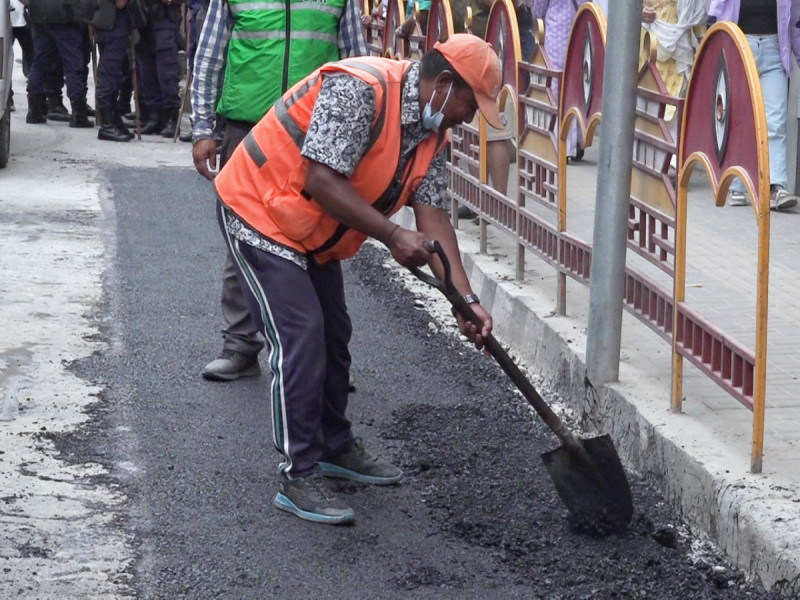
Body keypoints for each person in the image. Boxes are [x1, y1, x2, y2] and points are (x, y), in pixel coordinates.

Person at [213, 34, 498, 524]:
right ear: (446, 84)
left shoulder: (431, 133)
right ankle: (298, 472)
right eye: (472, 104)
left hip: (312, 229)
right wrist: (391, 235)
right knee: (301, 335)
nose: (470, 119)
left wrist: (464, 298)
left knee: (335, 331)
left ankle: (332, 444)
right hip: (260, 208)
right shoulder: (362, 89)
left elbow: (433, 219)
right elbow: (321, 179)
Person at [191, 0, 368, 381]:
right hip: (248, 129)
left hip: (316, 134)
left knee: (317, 236)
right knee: (244, 235)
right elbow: (209, 57)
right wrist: (203, 127)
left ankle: (325, 358)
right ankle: (240, 344)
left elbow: (358, 64)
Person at [710, 0, 800, 211]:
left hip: (774, 51)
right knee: (741, 120)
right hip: (741, 46)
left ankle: (775, 186)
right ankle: (738, 185)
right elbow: (717, 10)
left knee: (775, 122)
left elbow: (796, 17)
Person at [533, 0, 586, 161]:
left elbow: (538, 10)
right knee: (575, 86)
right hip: (579, 31)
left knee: (556, 87)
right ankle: (575, 143)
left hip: (556, 35)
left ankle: (559, 142)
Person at [94, 0, 135, 142]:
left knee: (114, 77)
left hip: (110, 25)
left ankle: (114, 121)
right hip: (113, 27)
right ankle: (107, 125)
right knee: (108, 77)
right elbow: (120, 3)